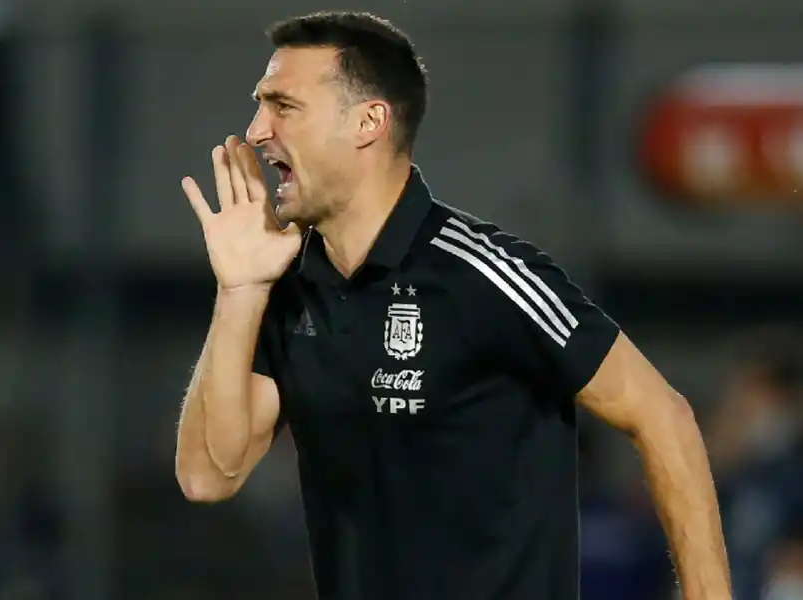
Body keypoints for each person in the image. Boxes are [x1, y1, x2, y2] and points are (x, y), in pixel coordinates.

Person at [175, 11, 731, 600]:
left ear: (369, 122)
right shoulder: (288, 291)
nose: (257, 130)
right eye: (261, 104)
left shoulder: (486, 276)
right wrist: (239, 291)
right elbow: (209, 474)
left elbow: (662, 416)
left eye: (283, 106)